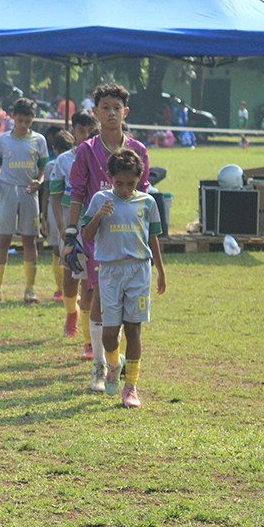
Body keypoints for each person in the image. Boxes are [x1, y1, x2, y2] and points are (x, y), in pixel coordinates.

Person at [65, 84, 150, 393]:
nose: (111, 113)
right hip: (95, 237)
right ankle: (99, 366)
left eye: (117, 107)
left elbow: (145, 196)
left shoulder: (139, 150)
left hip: (129, 242)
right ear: (96, 112)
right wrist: (72, 233)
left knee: (130, 315)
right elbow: (76, 192)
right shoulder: (86, 150)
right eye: (105, 107)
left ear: (125, 113)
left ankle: (118, 365)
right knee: (98, 302)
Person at [81, 147, 166, 409]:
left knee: (133, 328)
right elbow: (87, 235)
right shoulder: (100, 199)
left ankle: (131, 387)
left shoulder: (148, 202)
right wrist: (99, 215)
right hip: (110, 271)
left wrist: (161, 269)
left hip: (139, 270)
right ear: (110, 177)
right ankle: (114, 364)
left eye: (131, 183)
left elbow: (152, 237)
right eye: (119, 183)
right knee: (110, 334)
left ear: (140, 179)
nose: (125, 188)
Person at [0, 98, 48, 304]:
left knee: (29, 240)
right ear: (13, 117)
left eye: (28, 121)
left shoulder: (39, 140)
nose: (23, 125)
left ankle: (30, 289)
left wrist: (39, 182)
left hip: (29, 193)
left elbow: (42, 170)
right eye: (20, 120)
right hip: (7, 191)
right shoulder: (3, 140)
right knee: (3, 239)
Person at [49, 112, 99, 351]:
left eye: (91, 129)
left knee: (89, 283)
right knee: (70, 280)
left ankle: (89, 342)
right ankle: (72, 312)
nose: (87, 134)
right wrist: (61, 226)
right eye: (82, 130)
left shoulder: (102, 157)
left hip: (95, 224)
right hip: (71, 224)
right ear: (74, 131)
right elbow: (56, 197)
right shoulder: (64, 160)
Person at [43, 130, 74, 303]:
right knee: (57, 248)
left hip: (69, 210)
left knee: (64, 250)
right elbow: (47, 191)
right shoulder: (50, 166)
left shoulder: (75, 161)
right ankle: (60, 287)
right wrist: (43, 216)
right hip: (55, 210)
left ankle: (66, 287)